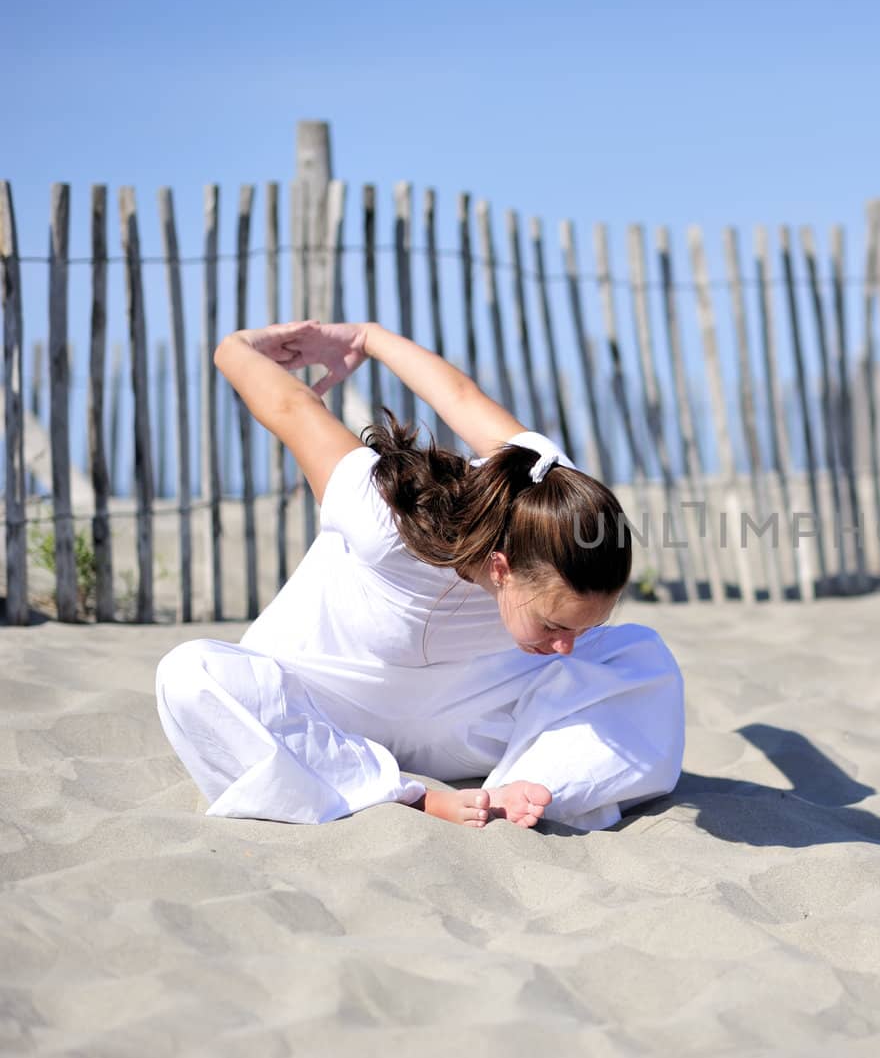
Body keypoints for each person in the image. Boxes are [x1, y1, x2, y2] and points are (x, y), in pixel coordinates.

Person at [155, 320, 684, 831]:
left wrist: (371, 338)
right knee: (189, 674)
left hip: (467, 721)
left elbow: (460, 395)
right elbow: (292, 405)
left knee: (643, 662)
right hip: (332, 709)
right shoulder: (381, 518)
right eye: (554, 626)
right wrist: (236, 346)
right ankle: (407, 796)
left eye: (579, 629)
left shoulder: (549, 494)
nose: (565, 645)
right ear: (500, 569)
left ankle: (519, 789)